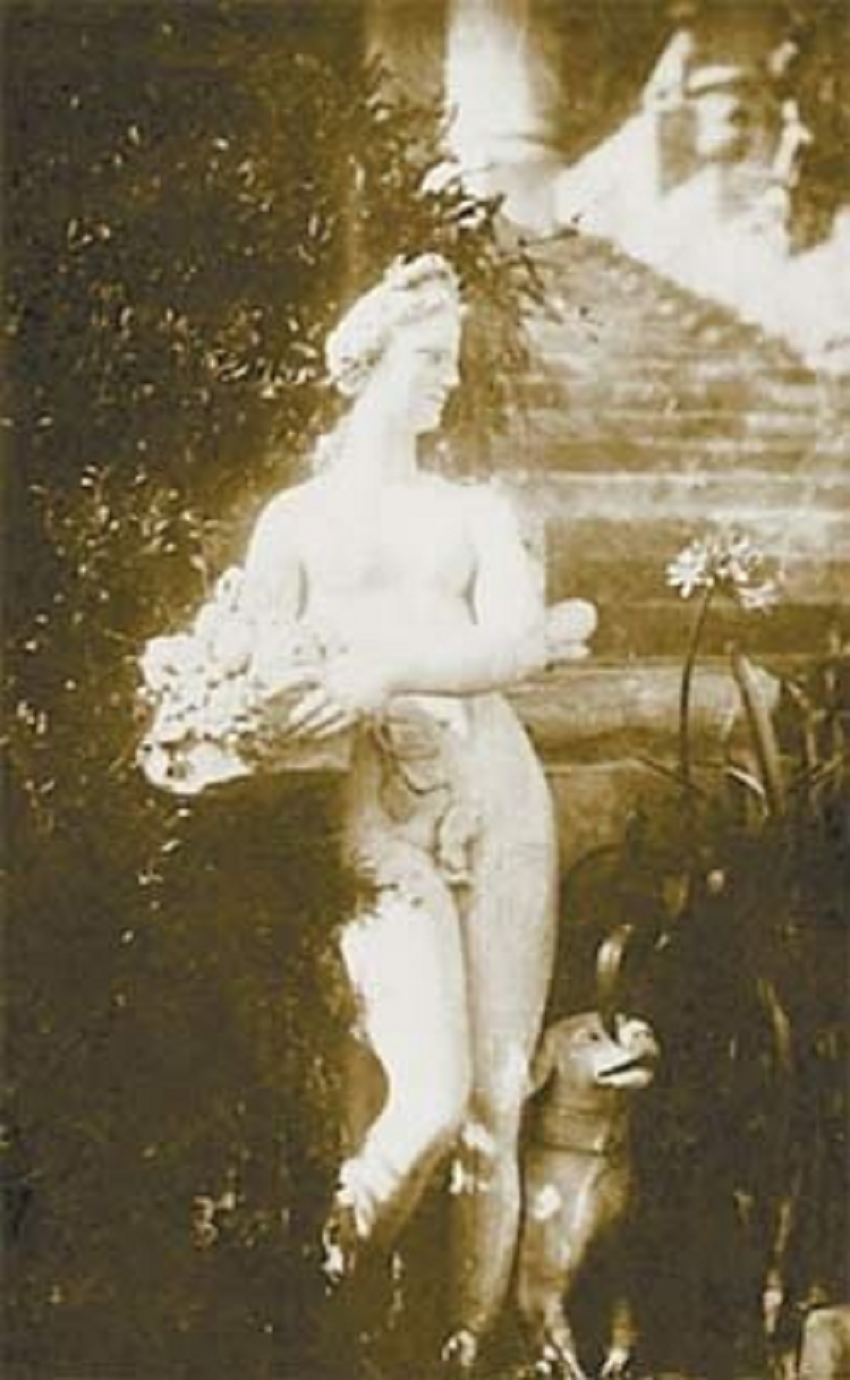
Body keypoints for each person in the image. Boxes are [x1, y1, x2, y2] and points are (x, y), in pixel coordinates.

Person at [238, 253, 559, 1369]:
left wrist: (387, 667)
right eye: (428, 359)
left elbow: (519, 643)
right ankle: (327, 1296)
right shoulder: (292, 523)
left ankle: (464, 1345)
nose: (446, 383)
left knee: (497, 1106)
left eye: (452, 363)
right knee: (426, 1097)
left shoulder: (474, 512)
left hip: (497, 796)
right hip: (374, 812)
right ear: (366, 361)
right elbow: (249, 668)